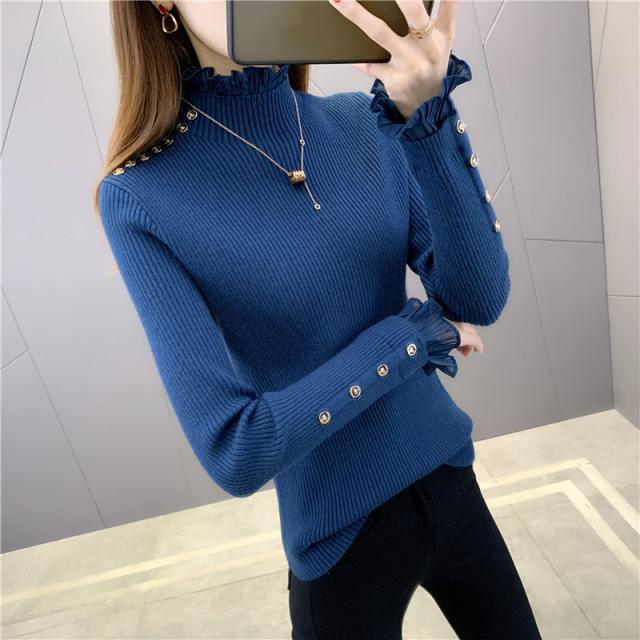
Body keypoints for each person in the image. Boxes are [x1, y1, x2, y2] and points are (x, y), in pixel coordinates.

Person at [95, 1, 541, 637]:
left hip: (450, 479)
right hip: (339, 543)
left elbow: (479, 298)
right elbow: (236, 449)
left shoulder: (362, 122)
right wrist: (411, 337)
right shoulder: (141, 197)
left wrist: (429, 117)